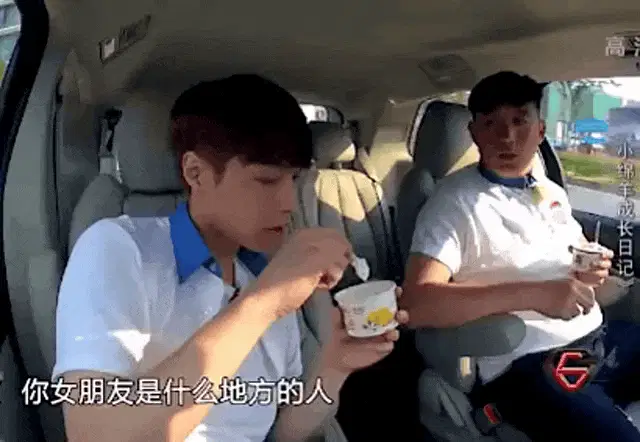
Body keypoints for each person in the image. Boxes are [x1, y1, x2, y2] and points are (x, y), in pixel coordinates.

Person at [53, 74, 408, 442]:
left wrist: (334, 365)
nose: (289, 203)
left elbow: (279, 432)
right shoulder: (119, 249)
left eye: (294, 180)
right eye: (266, 180)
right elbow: (94, 434)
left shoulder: (261, 276)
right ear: (196, 173)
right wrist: (264, 302)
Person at [402, 71, 640, 441]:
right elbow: (416, 305)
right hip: (533, 363)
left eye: (519, 121)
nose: (507, 136)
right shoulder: (452, 203)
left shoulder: (548, 191)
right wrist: (535, 295)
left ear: (540, 130)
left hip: (598, 340)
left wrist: (589, 275)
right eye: (491, 124)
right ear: (474, 133)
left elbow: (573, 260)